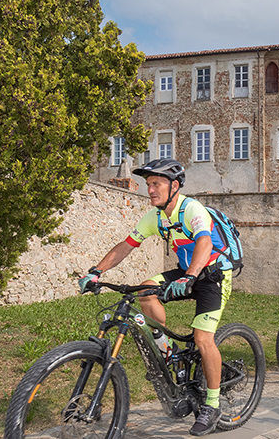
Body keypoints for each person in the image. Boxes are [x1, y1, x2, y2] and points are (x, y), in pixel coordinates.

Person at [78, 159, 231, 436]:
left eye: (155, 184)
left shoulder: (191, 209)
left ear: (174, 186)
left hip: (212, 275)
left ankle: (212, 403)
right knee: (146, 289)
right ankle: (168, 350)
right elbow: (127, 244)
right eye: (148, 184)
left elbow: (205, 242)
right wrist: (97, 272)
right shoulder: (156, 217)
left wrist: (191, 276)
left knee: (202, 338)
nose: (149, 189)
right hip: (187, 272)